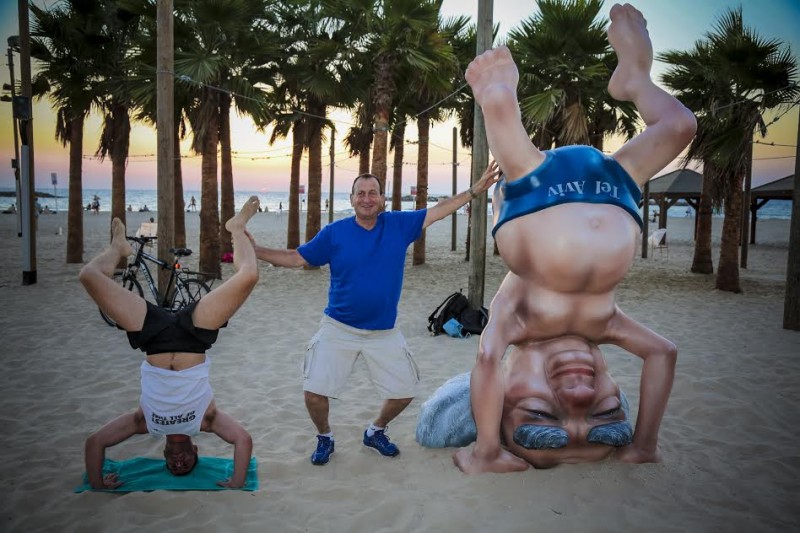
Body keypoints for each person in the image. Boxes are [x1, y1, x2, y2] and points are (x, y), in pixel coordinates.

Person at [453, 3, 697, 474]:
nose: (579, 396)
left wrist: (486, 449)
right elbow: (662, 352)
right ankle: (635, 78)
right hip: (612, 186)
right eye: (605, 416)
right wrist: (643, 444)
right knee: (682, 126)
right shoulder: (605, 324)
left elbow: (487, 357)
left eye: (542, 415)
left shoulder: (519, 314)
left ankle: (500, 105)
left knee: (519, 158)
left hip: (536, 192)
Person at [250, 170, 499, 465]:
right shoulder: (335, 233)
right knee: (314, 392)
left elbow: (438, 211)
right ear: (351, 199)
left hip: (383, 332)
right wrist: (255, 250)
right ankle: (325, 436)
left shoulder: (398, 225)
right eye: (361, 193)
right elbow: (295, 258)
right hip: (338, 327)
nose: (366, 199)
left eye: (372, 193)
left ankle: (375, 430)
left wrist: (474, 191)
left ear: (382, 199)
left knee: (405, 391)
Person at [78, 196, 261, 489]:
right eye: (185, 466)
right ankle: (236, 228)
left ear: (163, 455)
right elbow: (243, 440)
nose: (178, 463)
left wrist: (98, 485)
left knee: (88, 276)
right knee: (249, 275)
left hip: (152, 337)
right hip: (195, 336)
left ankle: (117, 249)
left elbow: (95, 442)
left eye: (173, 467)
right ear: (195, 451)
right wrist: (236, 483)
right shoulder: (206, 420)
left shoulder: (144, 423)